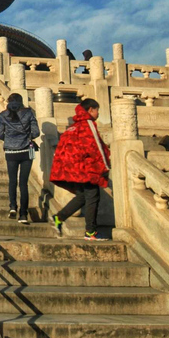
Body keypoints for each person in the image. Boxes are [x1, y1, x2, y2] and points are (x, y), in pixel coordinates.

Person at [50, 99, 111, 241]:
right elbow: (95, 147)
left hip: (74, 169)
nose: (98, 113)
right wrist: (104, 166)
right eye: (97, 110)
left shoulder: (73, 126)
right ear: (90, 110)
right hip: (87, 168)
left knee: (82, 196)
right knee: (93, 197)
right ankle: (90, 232)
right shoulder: (88, 125)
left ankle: (59, 218)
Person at [0, 93, 40, 224]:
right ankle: (23, 215)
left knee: (12, 181)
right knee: (23, 183)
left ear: (8, 101)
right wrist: (27, 136)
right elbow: (36, 132)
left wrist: (9, 139)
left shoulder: (3, 115)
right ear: (22, 101)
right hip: (27, 150)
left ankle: (12, 206)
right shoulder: (28, 113)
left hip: (11, 151)